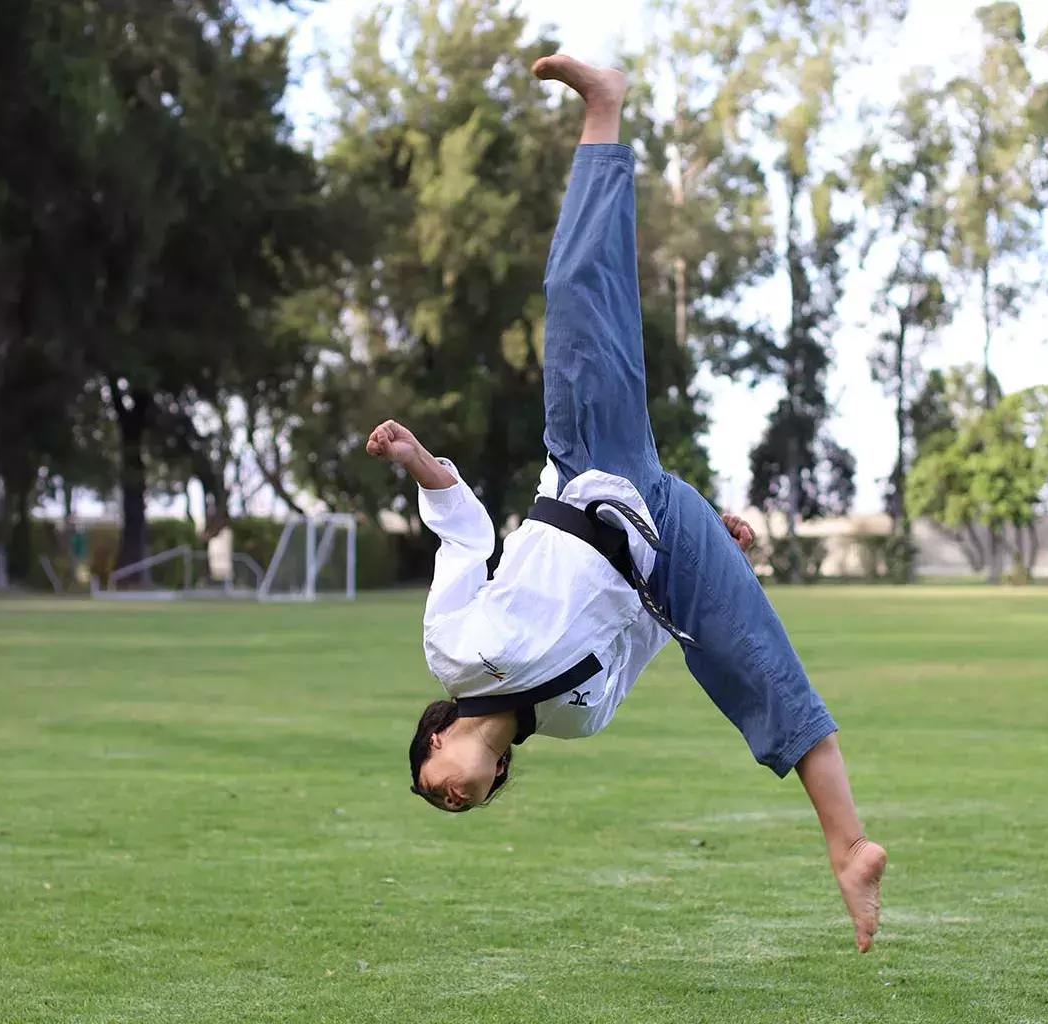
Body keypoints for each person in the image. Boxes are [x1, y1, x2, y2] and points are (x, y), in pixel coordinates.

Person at [364, 54, 888, 953]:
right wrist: (718, 555)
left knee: (574, 295)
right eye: (459, 804)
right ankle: (851, 848)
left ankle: (603, 110)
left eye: (432, 779)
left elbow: (467, 535)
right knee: (760, 676)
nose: (450, 793)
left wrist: (417, 461)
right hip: (665, 552)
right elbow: (649, 631)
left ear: (438, 733)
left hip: (592, 470)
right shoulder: (577, 721)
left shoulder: (454, 653)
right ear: (494, 782)